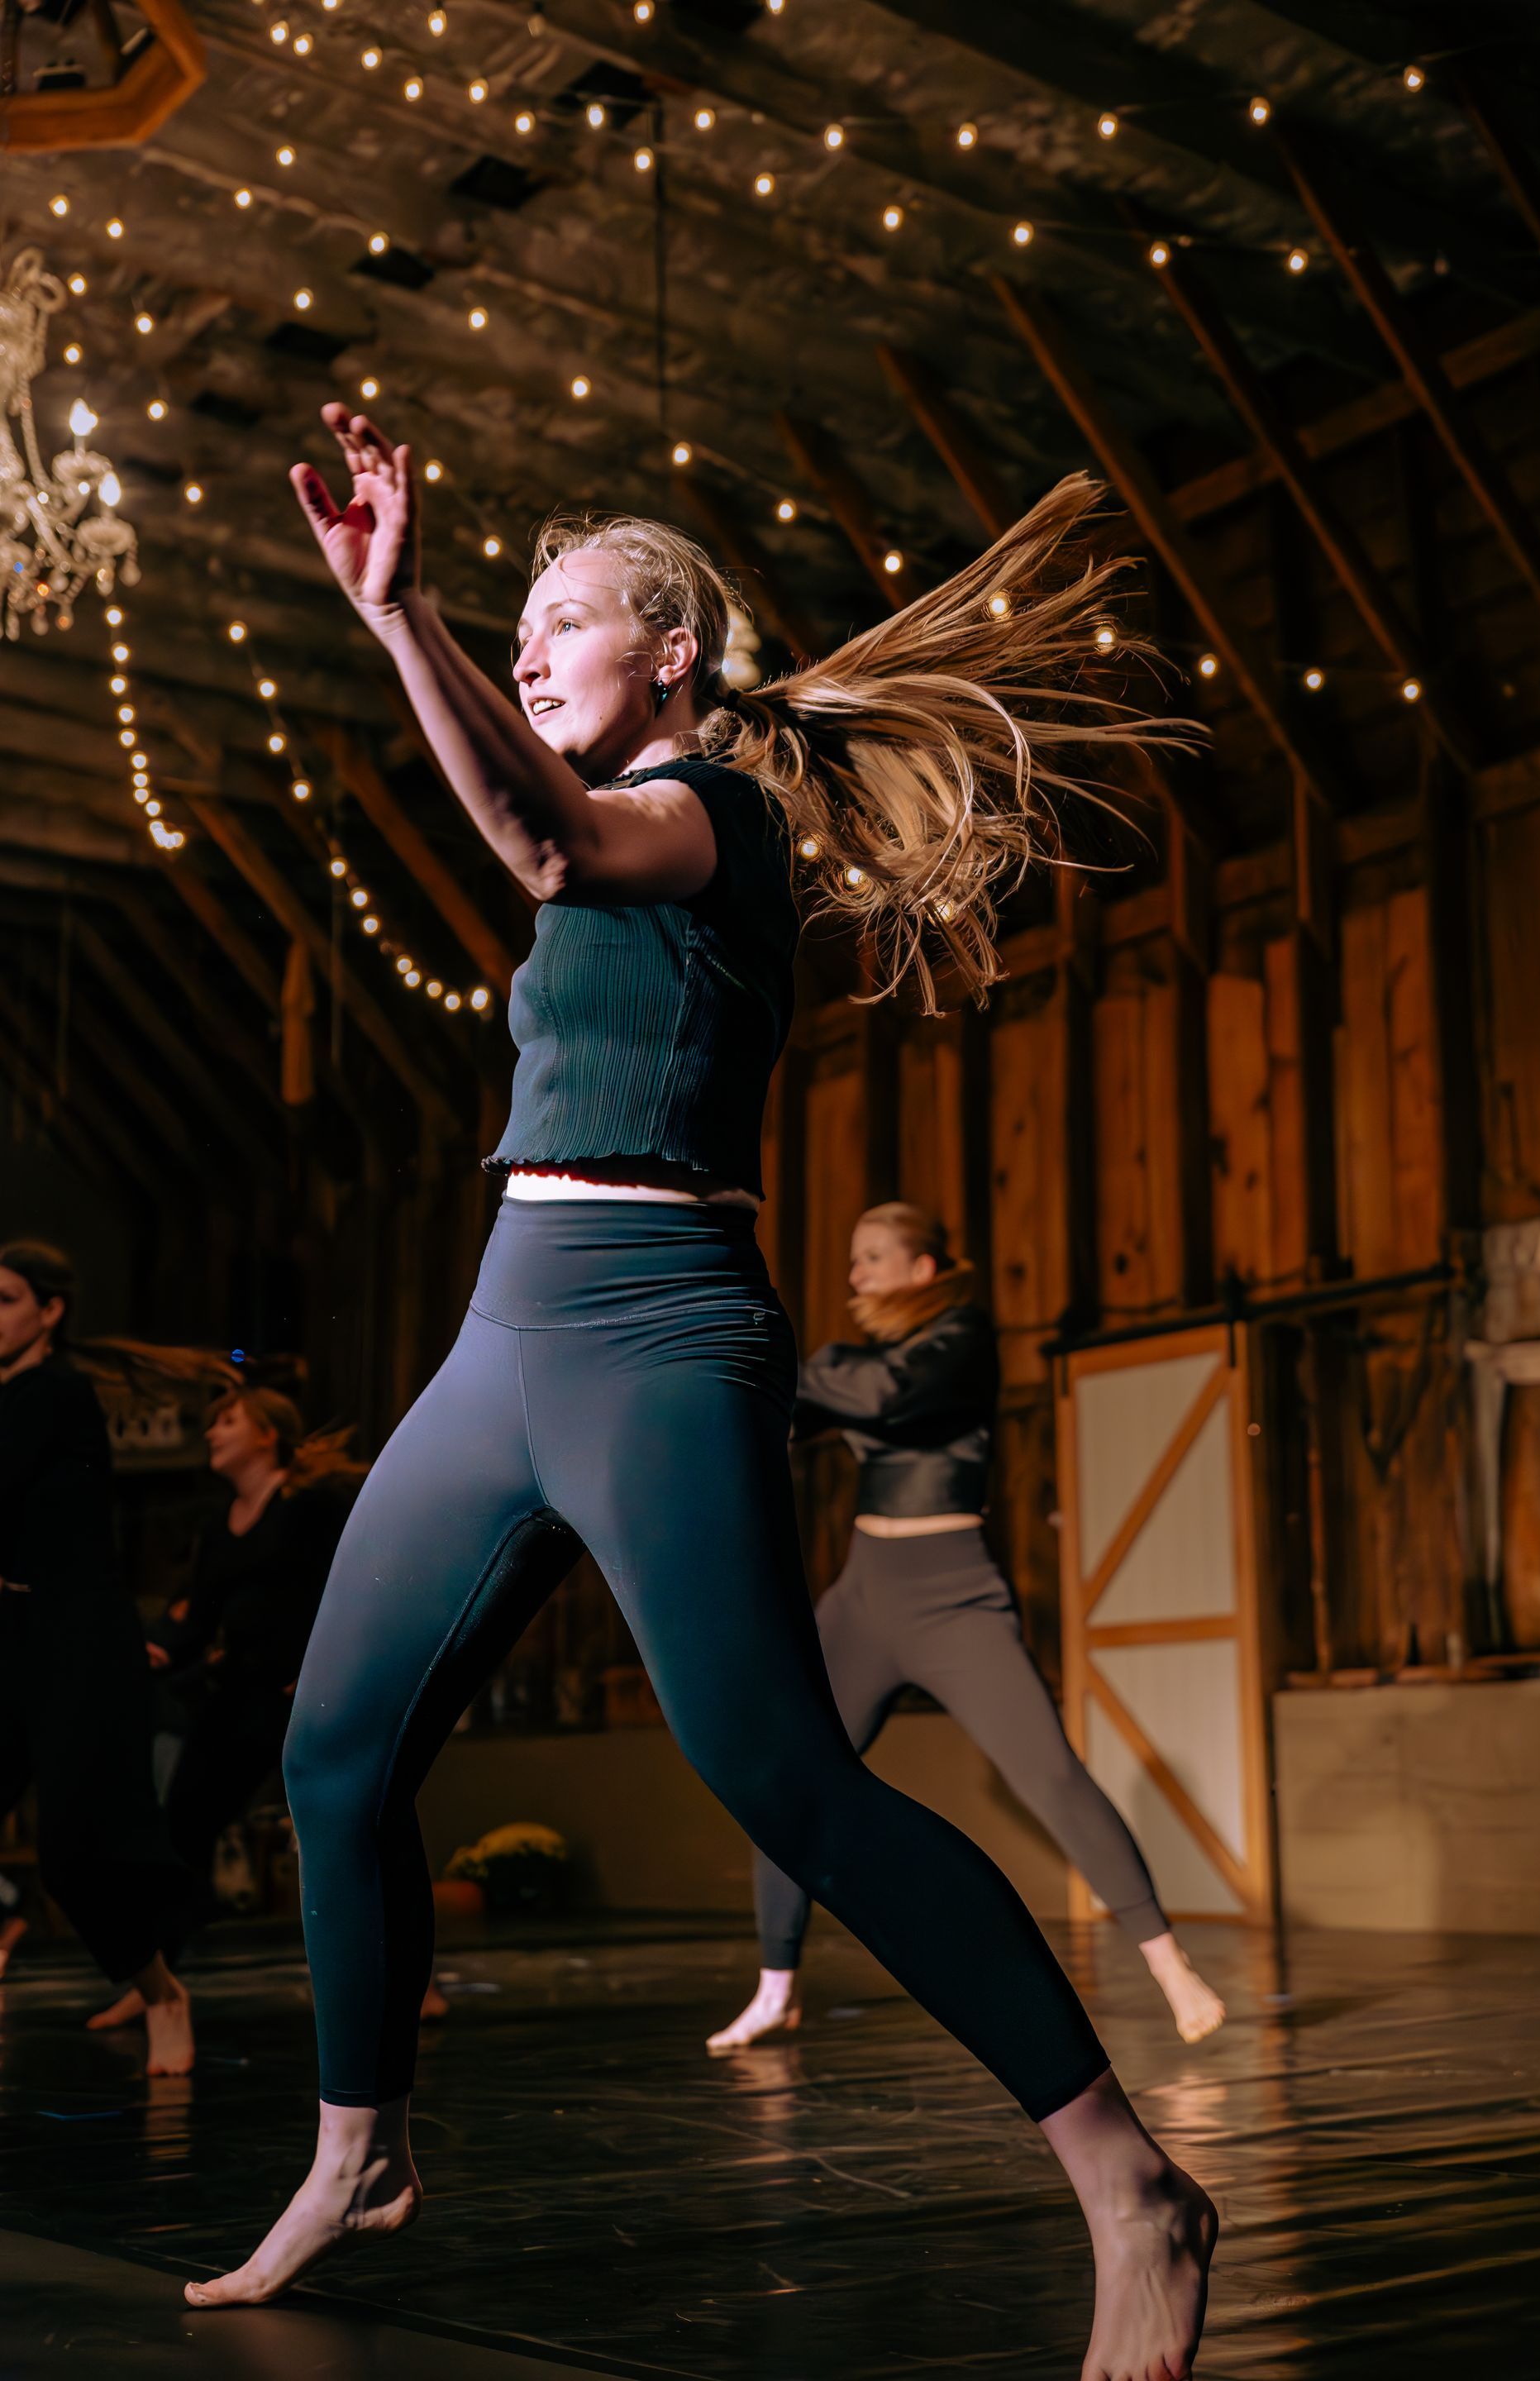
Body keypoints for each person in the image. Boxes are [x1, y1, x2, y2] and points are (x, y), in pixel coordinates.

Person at [186, 403, 1217, 2381]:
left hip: (658, 1329)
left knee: (782, 1778)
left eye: (561, 619)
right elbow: (530, 833)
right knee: (333, 1757)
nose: (530, 648)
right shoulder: (608, 830)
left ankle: (1127, 2180)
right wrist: (418, 633)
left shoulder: (714, 823)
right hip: (504, 1329)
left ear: (670, 655)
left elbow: (539, 834)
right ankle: (354, 2147)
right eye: (515, 631)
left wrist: (393, 618)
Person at [710, 1201, 1225, 2058]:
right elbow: (789, 1416)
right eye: (852, 1258)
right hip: (866, 1595)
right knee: (784, 1775)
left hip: (954, 1598)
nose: (855, 1273)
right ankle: (775, 1989)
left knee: (1051, 1774)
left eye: (874, 1256)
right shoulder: (846, 1362)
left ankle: (1173, 1968)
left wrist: (780, 1363)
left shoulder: (962, 1341)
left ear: (925, 1269)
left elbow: (886, 1397)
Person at [84, 1389, 398, 2030]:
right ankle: (155, 1980)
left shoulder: (310, 1506)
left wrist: (330, 1670)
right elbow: (197, 1622)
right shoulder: (217, 1524)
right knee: (181, 1830)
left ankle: (405, 1982)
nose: (212, 1433)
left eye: (227, 1421)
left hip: (310, 1695)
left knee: (348, 1834)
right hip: (242, 1695)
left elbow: (358, 1587)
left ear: (267, 1435)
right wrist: (144, 1650)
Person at [0, 1241, 195, 2075]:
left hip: (75, 1636)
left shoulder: (57, 1395)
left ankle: (161, 1995)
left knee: (74, 1853)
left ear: (50, 1311)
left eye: (5, 1299)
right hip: (8, 1636)